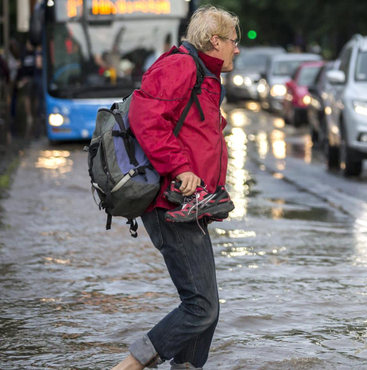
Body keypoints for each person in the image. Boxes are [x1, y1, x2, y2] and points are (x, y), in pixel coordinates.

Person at [111, 5, 240, 370]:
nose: (237, 48)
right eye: (234, 41)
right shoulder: (181, 65)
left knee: (207, 310)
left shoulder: (204, 74)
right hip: (171, 204)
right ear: (214, 41)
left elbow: (179, 122)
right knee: (200, 307)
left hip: (193, 206)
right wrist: (181, 167)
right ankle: (130, 366)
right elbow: (145, 117)